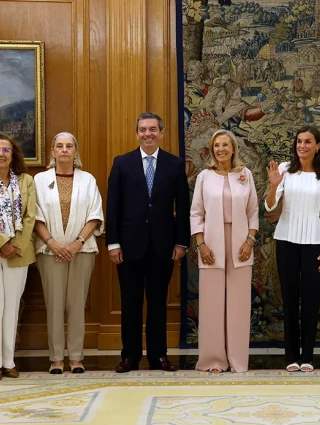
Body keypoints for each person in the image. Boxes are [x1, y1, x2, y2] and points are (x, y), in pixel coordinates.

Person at [106, 111, 190, 373]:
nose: (148, 134)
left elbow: (183, 208)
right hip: (128, 247)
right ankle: (129, 356)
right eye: (143, 129)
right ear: (137, 133)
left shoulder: (175, 165)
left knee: (157, 304)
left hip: (162, 246)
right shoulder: (122, 163)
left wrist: (181, 242)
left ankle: (158, 356)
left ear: (161, 133)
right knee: (130, 303)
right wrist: (113, 243)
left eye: (153, 129)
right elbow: (113, 206)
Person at [33, 133, 103, 374]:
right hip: (49, 251)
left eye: (69, 146)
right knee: (54, 304)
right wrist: (53, 244)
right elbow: (34, 216)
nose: (64, 150)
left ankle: (76, 358)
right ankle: (56, 359)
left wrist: (75, 245)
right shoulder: (39, 181)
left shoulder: (88, 180)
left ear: (76, 151)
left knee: (76, 303)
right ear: (52, 152)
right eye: (59, 146)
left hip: (82, 251)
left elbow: (95, 215)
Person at [265, 126, 320, 372]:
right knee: (290, 299)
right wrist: (273, 186)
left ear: (318, 146)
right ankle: (291, 356)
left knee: (312, 299)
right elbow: (271, 207)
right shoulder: (284, 170)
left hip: (314, 241)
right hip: (286, 239)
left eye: (308, 141)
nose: (302, 145)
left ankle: (308, 357)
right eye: (299, 141)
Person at [190, 129, 258, 373]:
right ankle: (213, 360)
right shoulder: (204, 177)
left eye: (225, 145)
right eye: (217, 145)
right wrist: (201, 244)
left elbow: (253, 211)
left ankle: (238, 360)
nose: (221, 149)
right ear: (212, 149)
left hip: (241, 244)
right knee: (211, 304)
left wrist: (249, 242)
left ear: (233, 149)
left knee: (239, 305)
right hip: (211, 244)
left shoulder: (245, 175)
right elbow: (196, 212)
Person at [0, 133, 35, 379]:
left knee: (11, 308)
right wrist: (2, 243)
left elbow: (30, 217)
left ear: (13, 155)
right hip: (2, 249)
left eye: (6, 150)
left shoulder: (26, 181)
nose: (1, 153)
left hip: (18, 254)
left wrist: (15, 246)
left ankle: (8, 362)